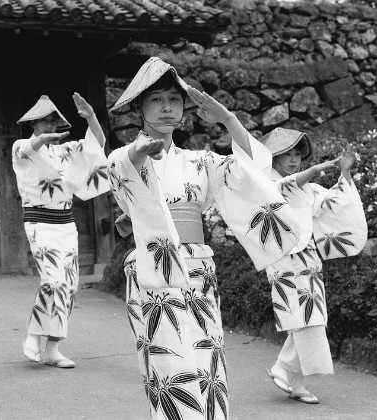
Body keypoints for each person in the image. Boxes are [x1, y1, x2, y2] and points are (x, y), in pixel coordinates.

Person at [107, 57, 301, 420]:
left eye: (174, 100)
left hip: (199, 270)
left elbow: (252, 169)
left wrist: (228, 119)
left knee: (207, 365)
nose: (167, 107)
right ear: (139, 108)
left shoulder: (200, 161)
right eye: (156, 100)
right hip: (155, 273)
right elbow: (119, 167)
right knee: (172, 372)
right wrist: (139, 151)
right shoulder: (126, 158)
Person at [261, 127, 367, 404]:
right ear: (274, 158)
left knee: (311, 317)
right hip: (283, 257)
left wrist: (344, 172)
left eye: (298, 154)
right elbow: (284, 189)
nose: (294, 160)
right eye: (287, 155)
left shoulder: (307, 187)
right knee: (306, 317)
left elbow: (332, 203)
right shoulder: (266, 183)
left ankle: (293, 379)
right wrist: (315, 170)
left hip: (308, 258)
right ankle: (285, 370)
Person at [12, 93, 110, 368]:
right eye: (43, 120)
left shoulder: (66, 151)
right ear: (34, 122)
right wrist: (41, 141)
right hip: (39, 222)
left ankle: (53, 348)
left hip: (65, 224)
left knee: (68, 285)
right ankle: (34, 335)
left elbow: (95, 147)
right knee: (51, 280)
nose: (49, 124)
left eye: (53, 119)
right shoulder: (23, 146)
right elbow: (29, 149)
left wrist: (90, 117)